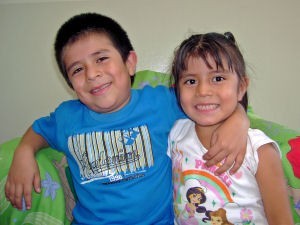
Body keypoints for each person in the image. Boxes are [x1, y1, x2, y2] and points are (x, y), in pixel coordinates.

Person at [5, 13, 249, 225]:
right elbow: (39, 131)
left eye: (101, 59)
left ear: (130, 62)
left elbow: (206, 103)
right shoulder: (67, 117)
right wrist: (24, 151)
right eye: (77, 70)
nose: (92, 74)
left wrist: (239, 118)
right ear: (71, 85)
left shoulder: (162, 102)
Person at [169, 32, 294, 224]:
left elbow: (281, 219)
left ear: (242, 87)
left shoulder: (259, 150)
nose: (203, 91)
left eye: (218, 78)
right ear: (176, 89)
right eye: (191, 81)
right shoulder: (176, 133)